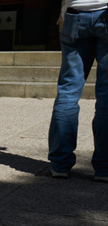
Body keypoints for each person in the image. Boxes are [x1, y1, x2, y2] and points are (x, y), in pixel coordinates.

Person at [49, 0, 108, 181]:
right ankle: (104, 167)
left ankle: (59, 165)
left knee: (68, 91)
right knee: (106, 96)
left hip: (75, 14)